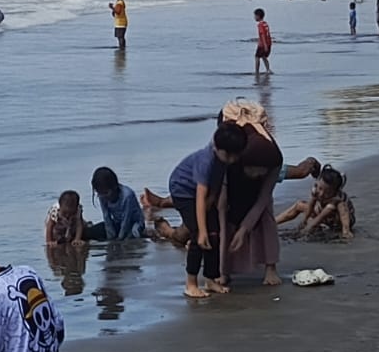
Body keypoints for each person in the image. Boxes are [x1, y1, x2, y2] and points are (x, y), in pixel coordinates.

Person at [159, 122, 248, 297]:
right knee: (198, 238)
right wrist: (201, 230)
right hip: (183, 191)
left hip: (204, 194)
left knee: (214, 235)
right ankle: (190, 283)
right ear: (220, 149)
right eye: (231, 156)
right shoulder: (206, 161)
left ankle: (210, 279)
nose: (234, 160)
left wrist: (211, 204)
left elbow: (214, 186)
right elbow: (200, 196)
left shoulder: (222, 159)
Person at [221, 120, 283, 288]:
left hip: (259, 186)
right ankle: (222, 270)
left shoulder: (274, 159)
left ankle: (271, 268)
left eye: (263, 170)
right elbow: (222, 203)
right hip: (231, 181)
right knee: (225, 217)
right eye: (255, 170)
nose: (259, 174)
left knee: (265, 215)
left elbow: (264, 197)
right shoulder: (229, 157)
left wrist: (244, 229)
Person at [275, 164, 354, 240]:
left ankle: (346, 231)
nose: (322, 194)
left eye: (327, 193)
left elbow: (322, 215)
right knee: (299, 205)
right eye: (320, 188)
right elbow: (311, 204)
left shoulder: (336, 198)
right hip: (323, 212)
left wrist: (308, 228)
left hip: (338, 218)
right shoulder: (316, 190)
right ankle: (274, 222)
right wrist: (305, 220)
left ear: (335, 192)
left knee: (342, 206)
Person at [88, 167, 146, 239]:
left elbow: (126, 219)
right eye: (100, 193)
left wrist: (119, 238)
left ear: (115, 186)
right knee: (92, 232)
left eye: (106, 193)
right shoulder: (102, 196)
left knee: (132, 235)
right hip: (117, 222)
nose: (103, 196)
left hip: (134, 223)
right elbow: (106, 216)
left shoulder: (127, 196)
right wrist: (110, 236)